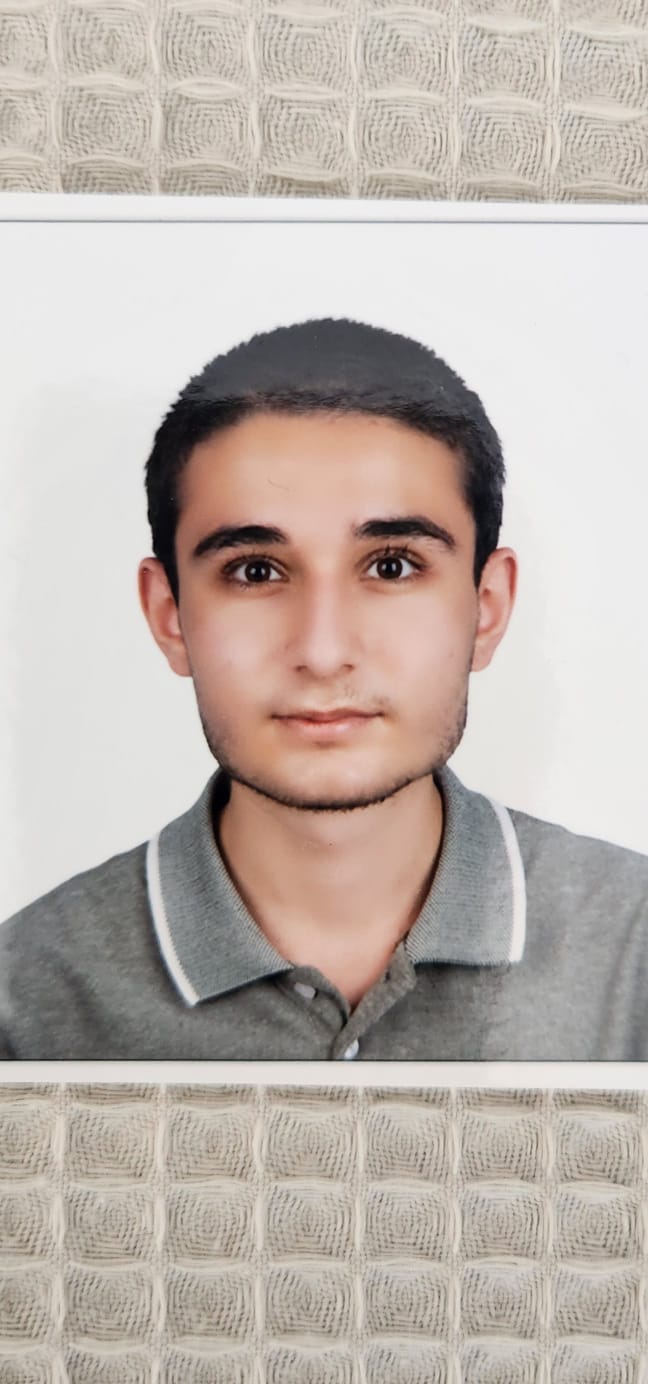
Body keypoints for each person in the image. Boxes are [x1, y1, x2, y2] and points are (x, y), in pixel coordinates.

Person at [1, 317, 646, 1060]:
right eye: (255, 571)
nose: (323, 652)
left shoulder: (634, 952)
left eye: (392, 566)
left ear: (488, 607)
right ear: (169, 614)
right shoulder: (24, 1002)